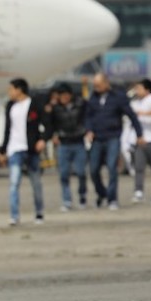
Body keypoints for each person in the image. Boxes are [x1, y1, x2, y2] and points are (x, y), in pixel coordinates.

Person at [86, 73, 143, 210]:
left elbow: (132, 115)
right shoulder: (93, 98)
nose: (96, 88)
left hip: (112, 137)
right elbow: (88, 116)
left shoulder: (118, 97)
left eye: (99, 85)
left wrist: (139, 134)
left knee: (112, 167)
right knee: (93, 169)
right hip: (97, 138)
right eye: (95, 86)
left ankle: (112, 199)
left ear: (106, 84)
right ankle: (102, 193)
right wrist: (89, 130)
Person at [0, 79, 50, 225]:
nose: (9, 93)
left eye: (11, 89)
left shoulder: (34, 104)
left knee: (35, 182)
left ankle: (39, 212)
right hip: (15, 149)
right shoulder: (10, 106)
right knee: (14, 182)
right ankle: (14, 215)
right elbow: (7, 130)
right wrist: (3, 150)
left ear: (19, 90)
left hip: (31, 149)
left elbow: (47, 123)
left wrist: (43, 139)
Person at [49, 83, 89, 211]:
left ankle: (82, 195)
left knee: (81, 172)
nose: (63, 98)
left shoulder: (80, 104)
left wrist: (87, 130)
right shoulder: (55, 109)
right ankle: (67, 200)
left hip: (78, 141)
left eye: (65, 95)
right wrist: (53, 135)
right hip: (63, 143)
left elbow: (88, 117)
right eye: (61, 96)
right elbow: (51, 124)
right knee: (64, 174)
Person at [129, 78, 151, 205]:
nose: (136, 91)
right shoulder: (134, 102)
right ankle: (138, 191)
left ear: (147, 89)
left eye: (139, 88)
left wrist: (144, 113)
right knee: (138, 167)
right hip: (140, 140)